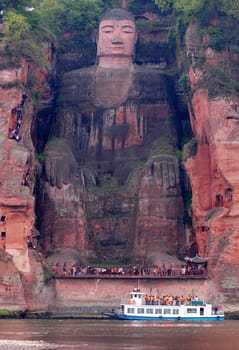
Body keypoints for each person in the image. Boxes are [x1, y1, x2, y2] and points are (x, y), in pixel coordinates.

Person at [42, 9, 184, 263]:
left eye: (126, 31)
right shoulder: (73, 81)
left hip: (136, 163)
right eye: (108, 31)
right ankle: (68, 249)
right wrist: (58, 151)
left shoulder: (155, 80)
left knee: (160, 176)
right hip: (85, 166)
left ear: (136, 38)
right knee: (59, 176)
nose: (117, 38)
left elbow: (166, 133)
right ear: (95, 38)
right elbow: (60, 134)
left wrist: (163, 152)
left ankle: (157, 251)